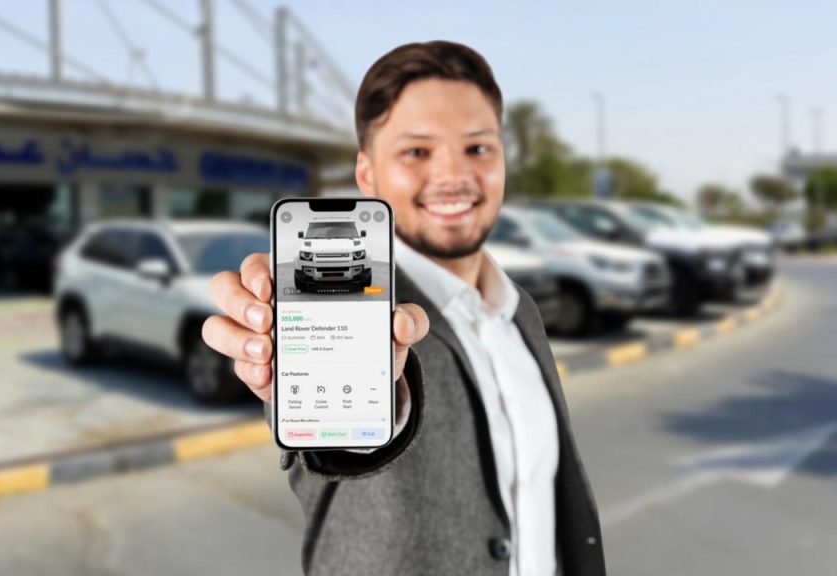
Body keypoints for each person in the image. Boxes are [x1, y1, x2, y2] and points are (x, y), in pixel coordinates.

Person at [202, 40, 605, 576]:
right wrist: (336, 409)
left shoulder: (520, 310)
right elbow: (345, 458)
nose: (452, 175)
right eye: (417, 152)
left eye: (477, 148)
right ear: (366, 176)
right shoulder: (367, 309)